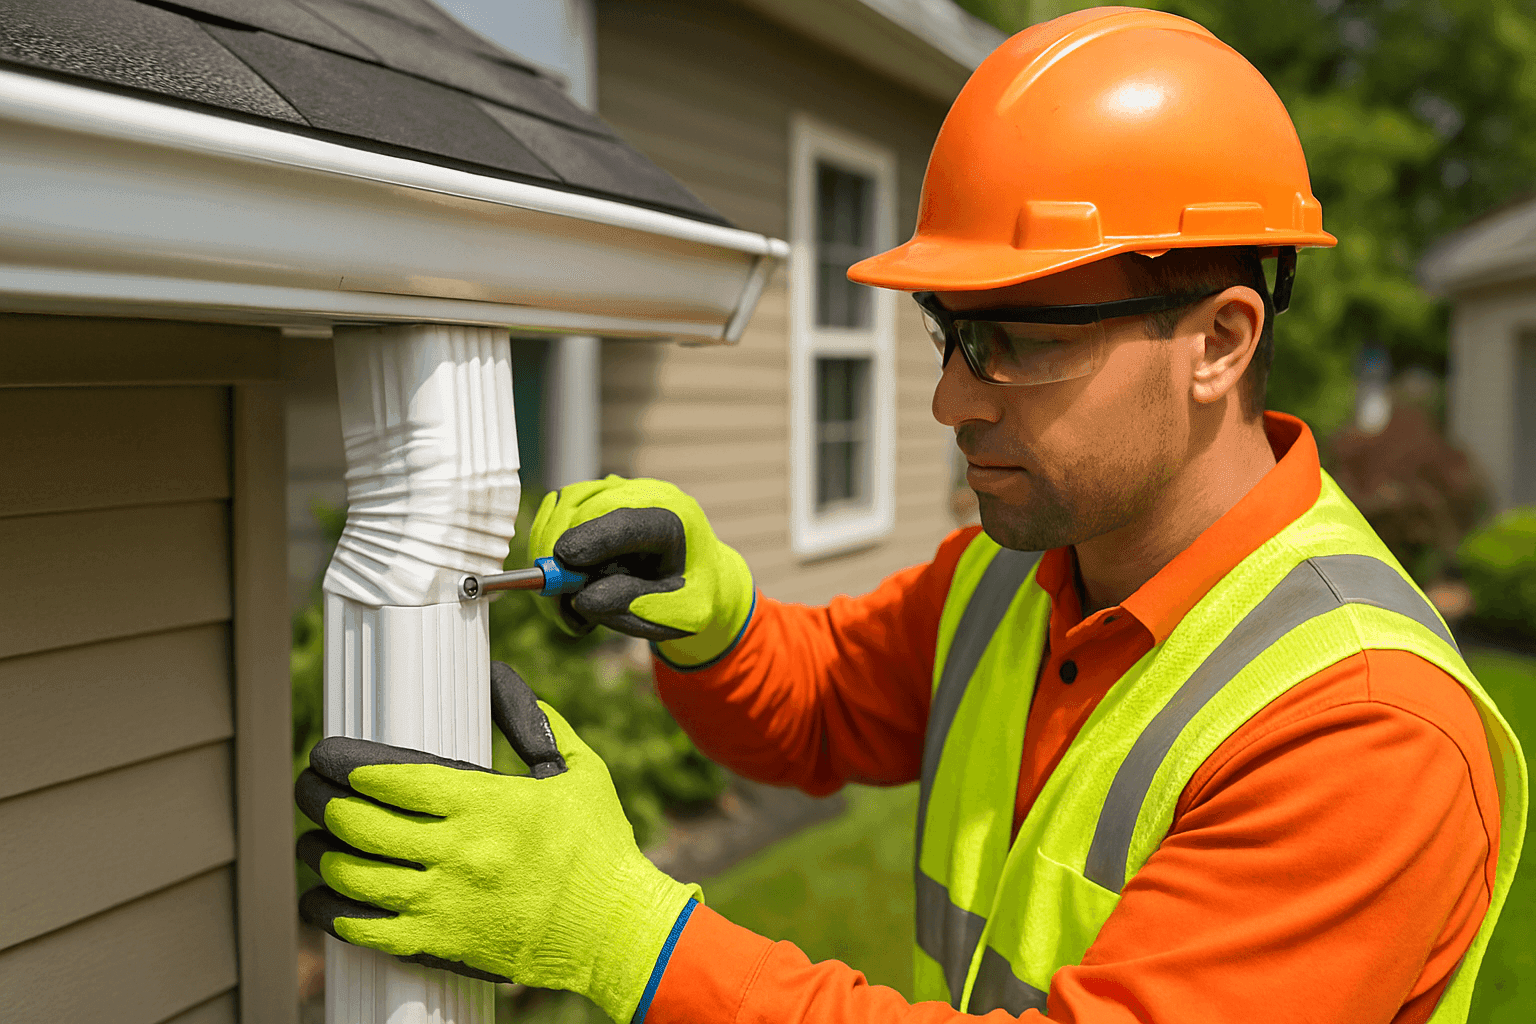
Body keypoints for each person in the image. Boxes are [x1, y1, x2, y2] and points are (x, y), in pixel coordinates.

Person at [295, 8, 1526, 1024]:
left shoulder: (1363, 733)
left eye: (1016, 345)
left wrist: (628, 936)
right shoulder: (1025, 571)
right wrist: (719, 624)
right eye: (950, 335)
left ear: (1218, 341)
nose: (950, 397)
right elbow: (828, 702)